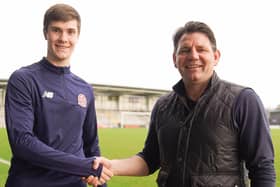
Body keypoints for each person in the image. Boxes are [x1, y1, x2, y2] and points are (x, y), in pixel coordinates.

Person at [88, 21, 276, 187]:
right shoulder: (163, 106)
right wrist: (112, 166)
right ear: (174, 59)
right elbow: (150, 159)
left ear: (216, 57)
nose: (193, 56)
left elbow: (262, 168)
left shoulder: (242, 100)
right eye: (185, 50)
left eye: (201, 49)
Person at [4, 3, 112, 187]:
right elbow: (22, 142)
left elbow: (91, 146)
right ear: (45, 32)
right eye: (56, 30)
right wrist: (82, 166)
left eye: (70, 32)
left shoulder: (85, 89)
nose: (63, 38)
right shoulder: (23, 79)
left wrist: (100, 182)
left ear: (78, 36)